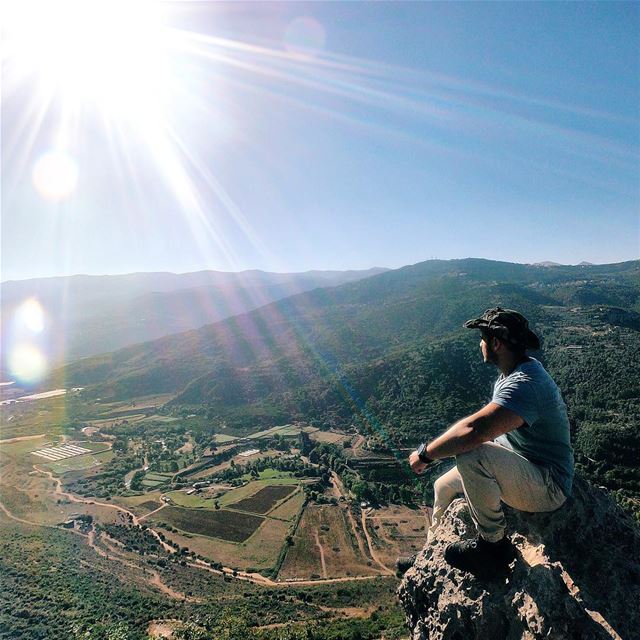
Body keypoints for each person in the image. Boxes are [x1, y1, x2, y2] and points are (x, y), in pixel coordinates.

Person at [398, 307, 574, 577]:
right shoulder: (513, 375)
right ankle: (429, 557)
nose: (480, 344)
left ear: (496, 343)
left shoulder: (526, 384)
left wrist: (425, 454)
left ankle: (493, 548)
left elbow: (474, 430)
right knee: (442, 486)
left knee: (471, 452)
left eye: (482, 338)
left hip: (549, 484)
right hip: (525, 463)